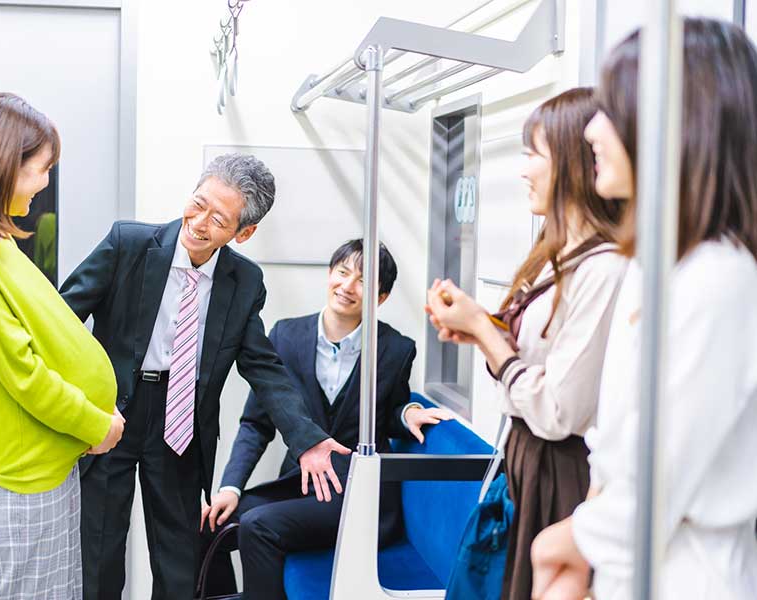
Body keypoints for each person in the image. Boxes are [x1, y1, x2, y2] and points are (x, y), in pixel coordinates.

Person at [530, 18, 757, 600]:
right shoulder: (652, 265)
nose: (593, 131)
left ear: (675, 123)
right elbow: (619, 448)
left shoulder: (720, 279)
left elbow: (657, 480)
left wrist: (561, 543)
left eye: (613, 109)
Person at [60, 153, 352, 600]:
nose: (199, 223)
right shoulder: (130, 244)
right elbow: (61, 319)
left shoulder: (244, 281)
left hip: (180, 427)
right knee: (98, 560)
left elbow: (263, 366)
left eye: (219, 219)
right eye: (197, 204)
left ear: (244, 232)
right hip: (113, 415)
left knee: (179, 565)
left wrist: (306, 437)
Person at [425, 88, 628, 600]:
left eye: (535, 153)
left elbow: (559, 409)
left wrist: (488, 337)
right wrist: (477, 329)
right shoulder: (553, 255)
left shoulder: (604, 268)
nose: (524, 169)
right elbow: (530, 358)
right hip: (523, 459)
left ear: (574, 163)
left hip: (560, 472)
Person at [0, 92, 124, 600]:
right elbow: (23, 373)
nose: (45, 182)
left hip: (47, 469)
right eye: (40, 168)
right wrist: (94, 423)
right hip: (21, 483)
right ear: (0, 168)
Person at [200, 239, 452, 599]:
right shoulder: (285, 336)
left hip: (358, 494)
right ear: (330, 274)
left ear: (379, 298)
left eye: (363, 281)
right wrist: (230, 487)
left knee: (258, 525)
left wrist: (408, 412)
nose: (348, 286)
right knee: (210, 522)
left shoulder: (396, 349)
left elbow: (390, 411)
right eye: (343, 272)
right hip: (298, 485)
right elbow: (256, 423)